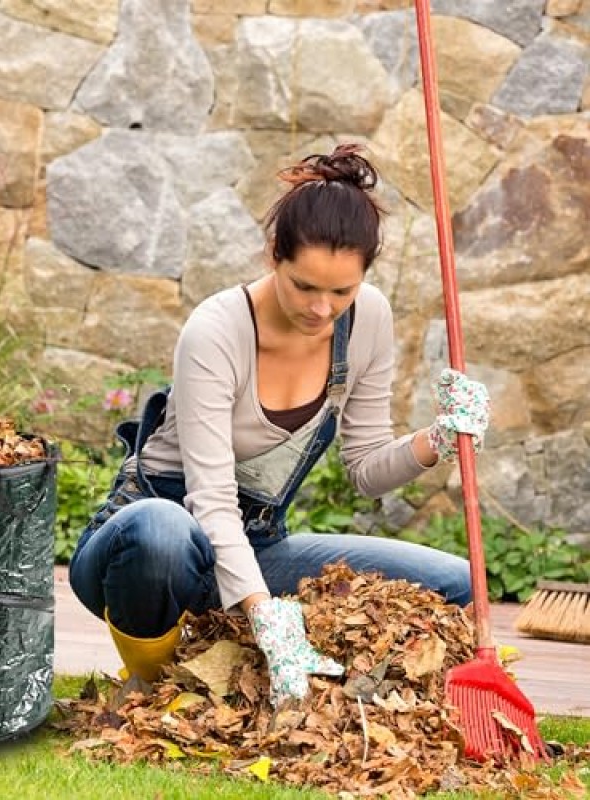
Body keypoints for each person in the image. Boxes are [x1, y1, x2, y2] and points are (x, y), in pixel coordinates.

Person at [68, 143, 490, 707]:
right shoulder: (216, 331)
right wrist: (267, 614)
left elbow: (365, 469)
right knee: (161, 532)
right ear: (274, 255)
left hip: (256, 544)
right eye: (305, 286)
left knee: (459, 583)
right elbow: (210, 501)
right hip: (148, 548)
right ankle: (152, 688)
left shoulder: (368, 320)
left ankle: (292, 677)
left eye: (341, 290)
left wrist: (438, 439)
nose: (322, 309)